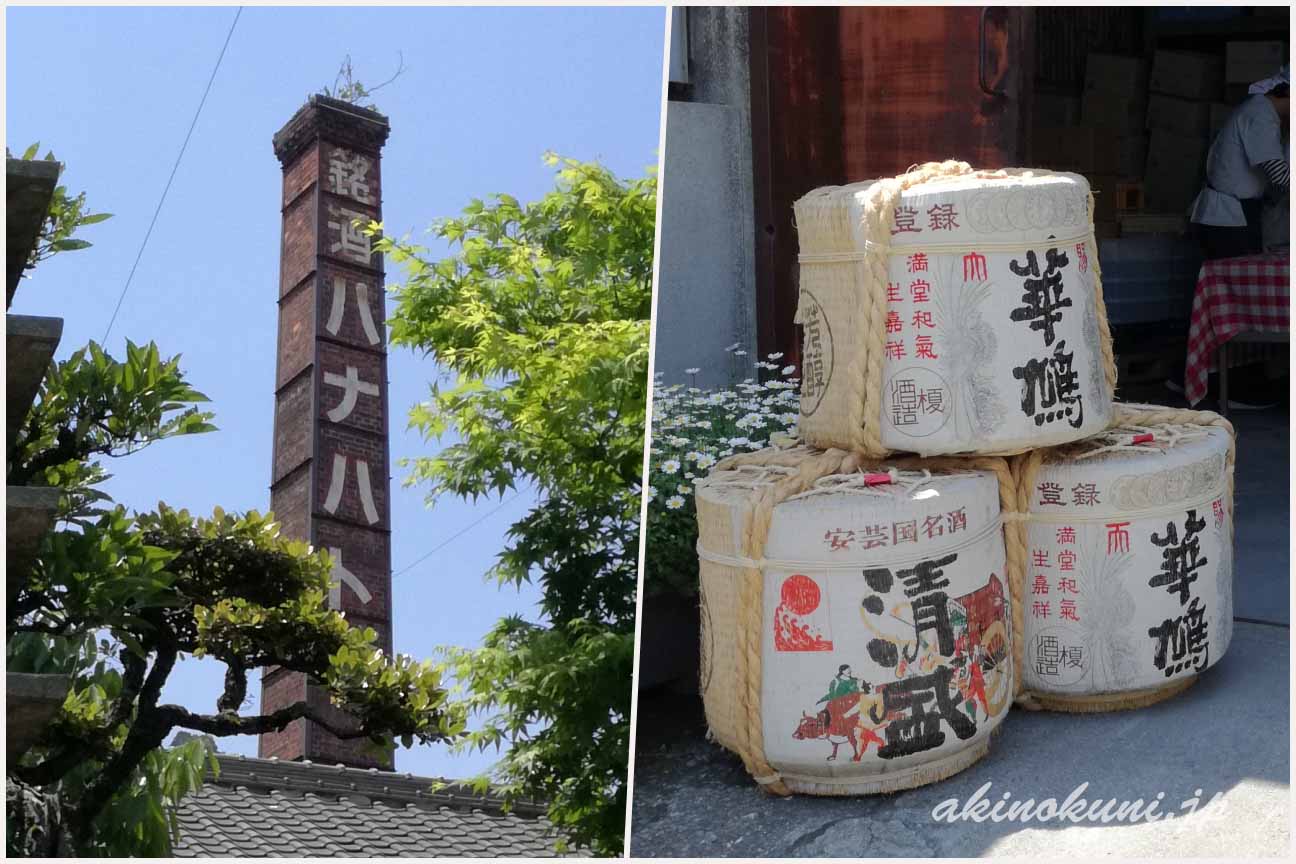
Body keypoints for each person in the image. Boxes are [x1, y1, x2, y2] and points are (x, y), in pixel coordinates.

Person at [1189, 65, 1289, 260]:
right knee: (1235, 283)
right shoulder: (1259, 115)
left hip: (1238, 214)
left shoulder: (1265, 113)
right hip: (1227, 219)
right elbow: (1278, 174)